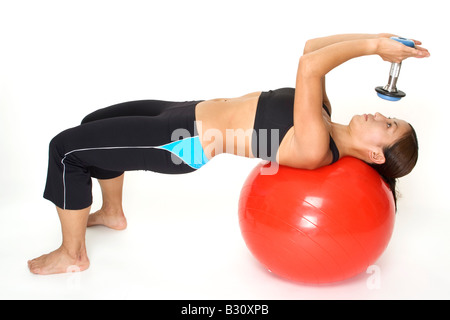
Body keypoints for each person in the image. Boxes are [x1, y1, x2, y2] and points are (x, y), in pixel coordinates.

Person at [28, 33, 429, 275]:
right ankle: (112, 213)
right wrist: (383, 38)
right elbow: (312, 47)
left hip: (181, 141)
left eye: (388, 124)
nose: (380, 114)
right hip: (182, 111)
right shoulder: (323, 115)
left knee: (65, 150)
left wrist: (376, 47)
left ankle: (72, 254)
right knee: (92, 122)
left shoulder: (316, 146)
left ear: (377, 154)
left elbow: (309, 65)